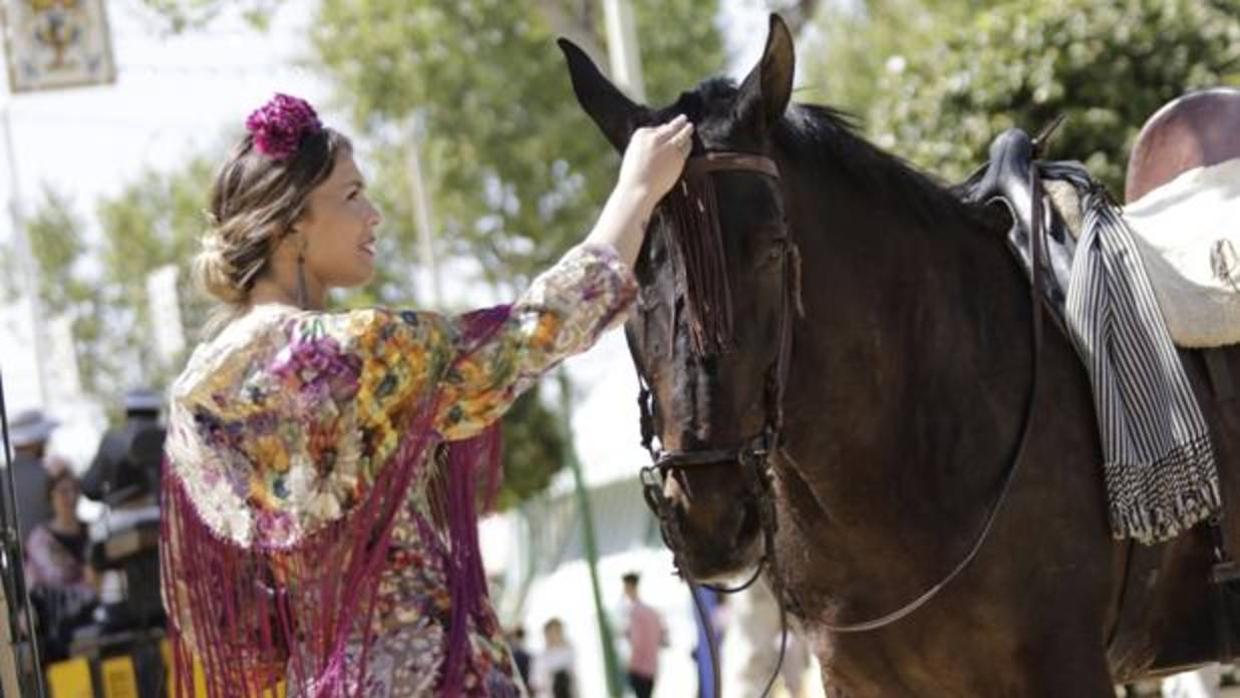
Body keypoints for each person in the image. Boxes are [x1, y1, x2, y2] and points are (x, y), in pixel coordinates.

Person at [158, 93, 692, 697]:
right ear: (290, 227)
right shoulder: (348, 351)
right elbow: (532, 332)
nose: (374, 215)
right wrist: (636, 192)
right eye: (353, 194)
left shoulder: (194, 400)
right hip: (436, 673)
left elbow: (210, 611)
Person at [24, 468, 96, 661]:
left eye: (74, 491)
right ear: (51, 496)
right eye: (64, 491)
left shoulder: (93, 531)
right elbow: (48, 578)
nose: (70, 497)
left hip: (96, 614)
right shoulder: (40, 539)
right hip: (59, 621)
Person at [6, 409, 58, 541]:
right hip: (51, 554)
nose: (46, 441)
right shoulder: (51, 474)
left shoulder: (2, 476)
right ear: (34, 442)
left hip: (15, 558)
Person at [621, 572, 665, 698]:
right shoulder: (651, 611)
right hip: (652, 666)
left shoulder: (635, 612)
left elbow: (637, 643)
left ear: (630, 587)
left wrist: (630, 665)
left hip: (640, 668)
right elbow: (661, 637)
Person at [532, 618, 576, 698]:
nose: (554, 636)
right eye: (551, 633)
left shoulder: (568, 650)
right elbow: (535, 682)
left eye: (557, 632)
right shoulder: (541, 657)